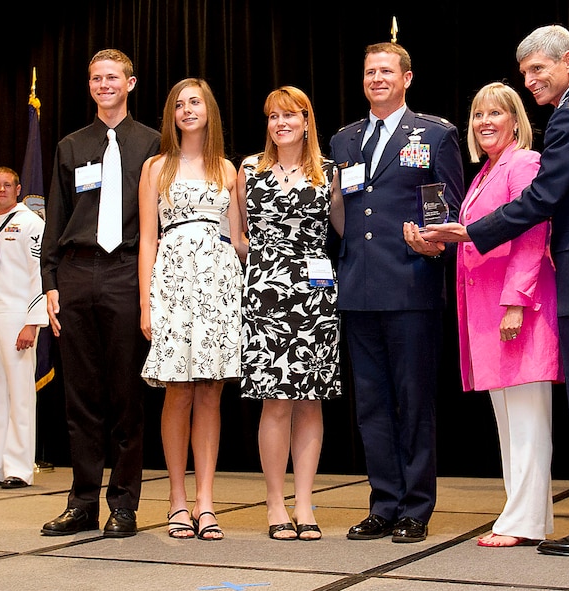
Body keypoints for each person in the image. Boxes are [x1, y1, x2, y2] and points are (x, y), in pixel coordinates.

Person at [408, 25, 569, 556]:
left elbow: (542, 198)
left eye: (538, 70)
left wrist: (472, 232)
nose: (532, 81)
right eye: (525, 73)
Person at [406, 82, 561, 547]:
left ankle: (524, 521)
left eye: (497, 113)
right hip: (488, 316)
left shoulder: (524, 163)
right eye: (478, 115)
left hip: (518, 309)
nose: (486, 122)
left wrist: (516, 301)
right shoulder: (485, 173)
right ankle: (524, 516)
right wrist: (434, 242)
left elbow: (533, 233)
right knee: (510, 424)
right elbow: (473, 235)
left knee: (529, 423)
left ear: (516, 120)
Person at [328, 42, 464, 543]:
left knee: (414, 401)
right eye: (370, 72)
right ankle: (383, 503)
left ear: (407, 78)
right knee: (371, 405)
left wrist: (433, 244)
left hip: (411, 285)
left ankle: (415, 508)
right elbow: (341, 212)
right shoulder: (344, 141)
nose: (377, 78)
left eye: (387, 71)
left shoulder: (434, 134)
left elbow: (447, 204)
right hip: (359, 288)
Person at [40, 49, 161, 537]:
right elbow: (54, 218)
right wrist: (49, 284)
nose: (104, 84)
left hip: (129, 271)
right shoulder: (71, 146)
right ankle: (83, 501)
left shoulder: (154, 144)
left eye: (113, 77)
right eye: (96, 78)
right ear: (89, 85)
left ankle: (124, 504)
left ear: (131, 83)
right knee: (80, 395)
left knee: (126, 394)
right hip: (76, 272)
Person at [230, 86, 344, 541]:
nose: (281, 123)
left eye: (290, 115)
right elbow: (237, 238)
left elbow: (346, 231)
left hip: (315, 296)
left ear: (306, 120)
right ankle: (275, 505)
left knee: (310, 400)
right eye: (273, 116)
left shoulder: (329, 172)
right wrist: (265, 267)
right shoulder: (248, 170)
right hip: (265, 295)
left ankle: (303, 504)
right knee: (275, 402)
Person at [138, 78, 242, 541]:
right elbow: (146, 239)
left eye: (194, 102)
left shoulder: (229, 170)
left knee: (210, 390)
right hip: (173, 283)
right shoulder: (156, 167)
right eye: (178, 104)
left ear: (209, 110)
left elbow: (239, 240)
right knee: (177, 390)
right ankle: (176, 500)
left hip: (219, 284)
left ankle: (205, 502)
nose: (186, 109)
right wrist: (146, 302)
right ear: (171, 115)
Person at [0, 167, 48, 489]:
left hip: (17, 316)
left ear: (19, 189)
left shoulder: (31, 224)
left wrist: (32, 323)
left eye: (8, 185)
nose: (2, 190)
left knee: (20, 394)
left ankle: (19, 467)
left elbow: (39, 273)